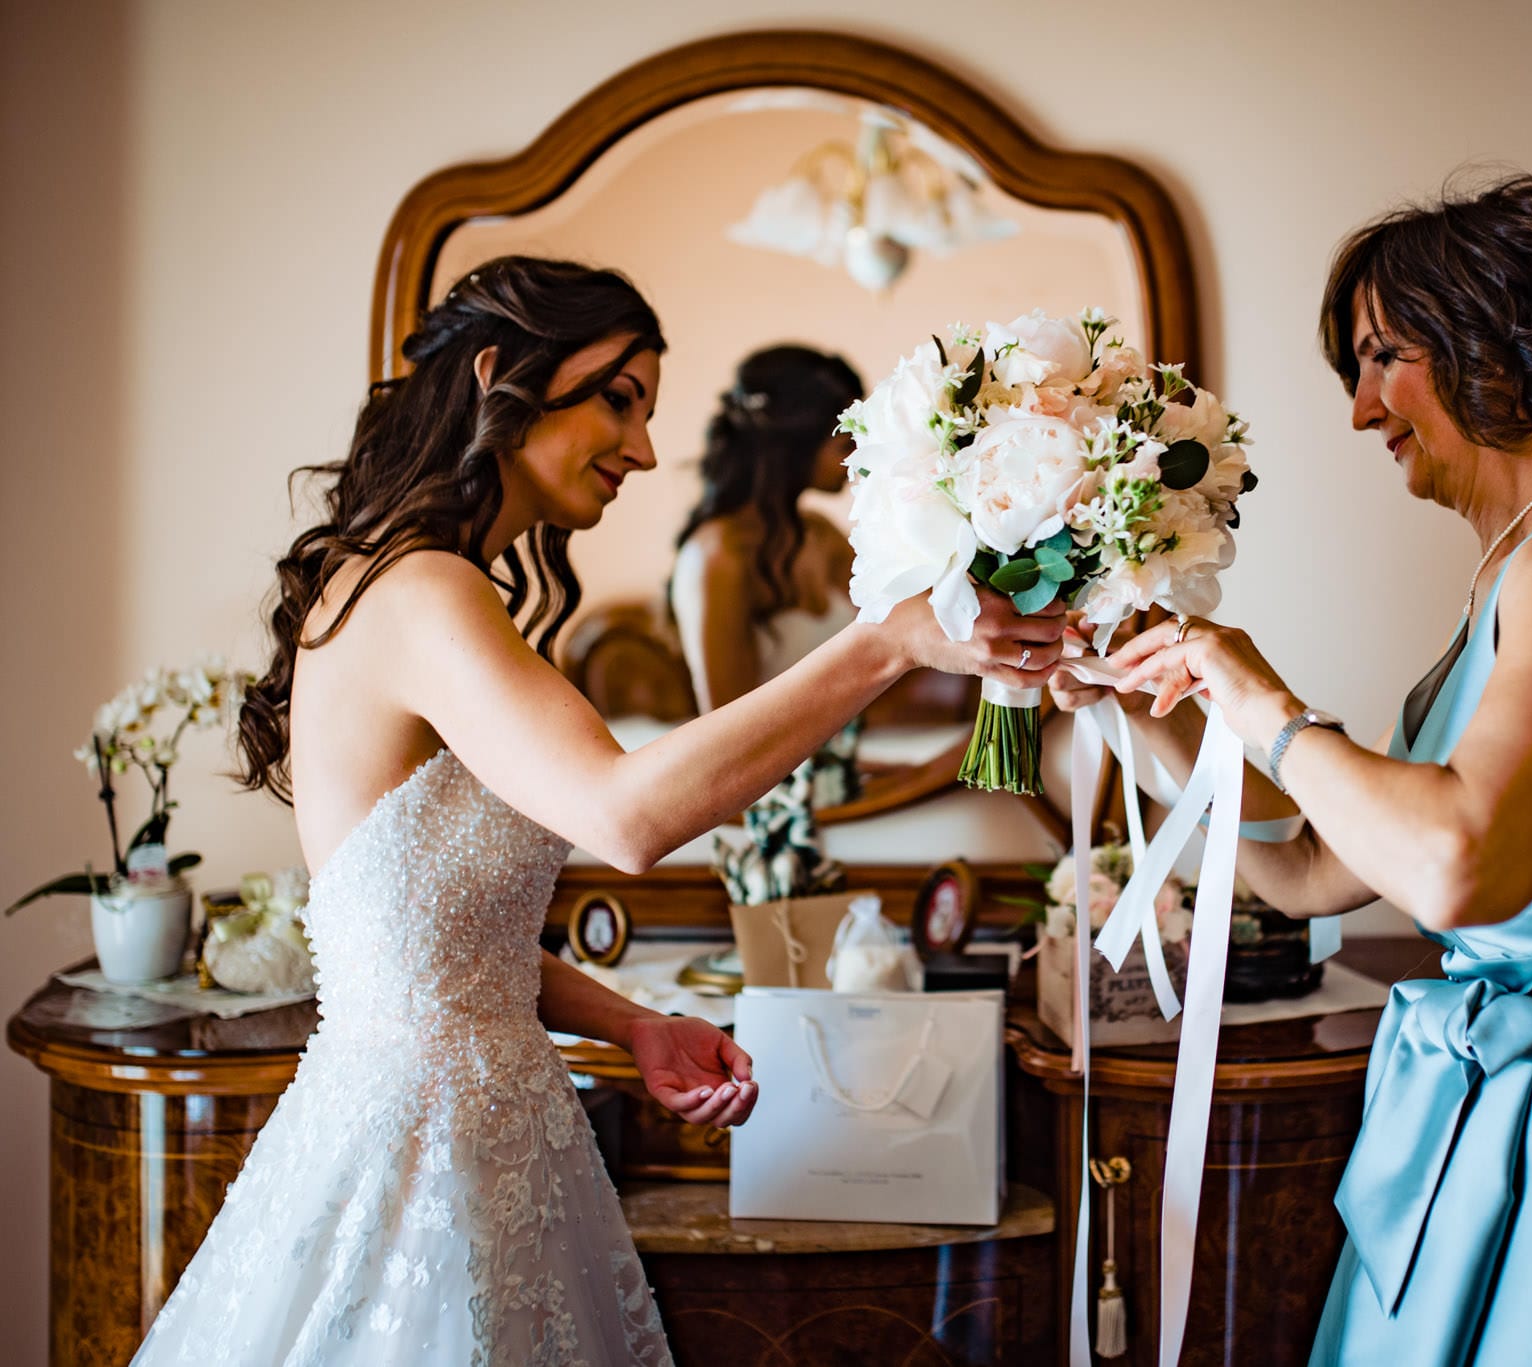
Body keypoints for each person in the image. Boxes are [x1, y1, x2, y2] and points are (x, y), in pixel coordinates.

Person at [131, 258, 1060, 1365]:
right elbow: (626, 817)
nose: (644, 447)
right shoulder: (423, 589)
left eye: (650, 409)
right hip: (419, 1167)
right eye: (616, 397)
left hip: (492, 1137)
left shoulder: (423, 583)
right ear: (498, 376)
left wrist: (632, 1023)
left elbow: (444, 952)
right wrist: (883, 640)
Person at [1054, 176, 1532, 1365]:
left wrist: (1258, 693)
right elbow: (1305, 871)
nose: (1359, 409)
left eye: (1381, 355)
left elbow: (1456, 868)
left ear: (1489, 338)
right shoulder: (1512, 572)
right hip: (1503, 1098)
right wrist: (1137, 708)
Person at [669, 344, 864, 716]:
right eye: (846, 442)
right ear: (797, 444)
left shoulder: (822, 536)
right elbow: (725, 724)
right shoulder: (717, 556)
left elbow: (896, 631)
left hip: (841, 750)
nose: (857, 458)